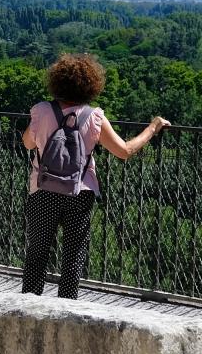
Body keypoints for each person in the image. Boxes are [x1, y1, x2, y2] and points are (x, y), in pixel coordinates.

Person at [21, 53, 170, 299]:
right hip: (80, 192)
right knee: (73, 257)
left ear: (57, 82)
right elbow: (124, 151)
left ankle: (26, 310)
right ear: (91, 85)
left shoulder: (41, 111)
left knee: (37, 254)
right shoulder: (95, 117)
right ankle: (67, 312)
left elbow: (27, 143)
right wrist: (153, 128)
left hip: (42, 189)